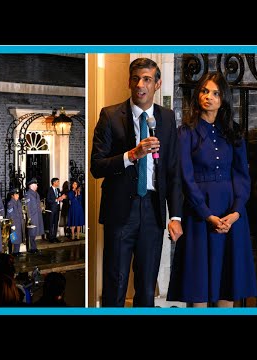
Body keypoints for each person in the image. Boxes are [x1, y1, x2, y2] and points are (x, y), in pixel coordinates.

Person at [90, 57, 183, 307]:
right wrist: (132, 155)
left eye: (147, 79)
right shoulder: (110, 116)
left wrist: (175, 217)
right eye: (136, 79)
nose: (140, 85)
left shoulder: (166, 117)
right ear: (129, 82)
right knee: (115, 284)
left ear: (157, 84)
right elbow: (96, 167)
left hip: (153, 211)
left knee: (146, 287)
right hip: (120, 212)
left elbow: (173, 171)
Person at [167, 72, 257, 307]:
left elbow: (242, 176)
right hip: (200, 216)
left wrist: (236, 212)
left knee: (228, 285)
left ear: (223, 99)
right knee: (198, 289)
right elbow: (185, 178)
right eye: (205, 91)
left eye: (215, 93)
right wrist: (207, 214)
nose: (209, 97)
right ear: (198, 95)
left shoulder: (234, 132)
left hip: (232, 215)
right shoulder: (185, 132)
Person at [24, 178, 44, 254]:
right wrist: (29, 219)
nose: (37, 186)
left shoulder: (36, 194)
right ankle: (31, 248)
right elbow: (27, 208)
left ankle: (34, 247)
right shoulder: (28, 194)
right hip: (32, 216)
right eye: (35, 184)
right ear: (31, 185)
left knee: (35, 233)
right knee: (31, 232)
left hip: (37, 216)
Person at [46, 177, 66, 243]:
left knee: (56, 223)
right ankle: (51, 238)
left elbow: (59, 198)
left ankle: (54, 237)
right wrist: (56, 200)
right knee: (51, 223)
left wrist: (62, 198)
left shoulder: (58, 190)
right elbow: (48, 200)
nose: (58, 183)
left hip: (57, 209)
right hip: (52, 209)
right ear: (54, 182)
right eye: (57, 182)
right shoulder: (49, 190)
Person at [6, 187, 24, 256]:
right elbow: (9, 215)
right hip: (14, 223)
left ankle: (17, 251)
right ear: (12, 196)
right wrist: (12, 224)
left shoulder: (18, 202)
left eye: (18, 194)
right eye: (16, 195)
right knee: (13, 238)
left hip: (19, 222)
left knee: (18, 237)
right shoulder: (10, 203)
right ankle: (13, 252)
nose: (17, 196)